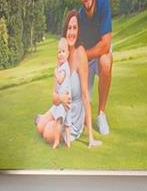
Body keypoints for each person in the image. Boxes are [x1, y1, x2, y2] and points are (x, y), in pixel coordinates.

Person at [35, 11, 101, 149]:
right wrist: (60, 98)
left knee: (47, 134)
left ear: (79, 31)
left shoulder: (80, 53)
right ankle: (44, 120)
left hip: (73, 113)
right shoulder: (61, 55)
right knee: (40, 128)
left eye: (75, 28)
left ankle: (53, 123)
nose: (71, 32)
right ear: (65, 30)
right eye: (69, 28)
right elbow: (53, 96)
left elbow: (84, 95)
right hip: (59, 105)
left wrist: (91, 138)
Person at [75, 0, 114, 137]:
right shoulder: (80, 16)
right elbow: (74, 50)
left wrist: (84, 55)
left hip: (97, 55)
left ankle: (101, 114)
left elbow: (105, 45)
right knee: (82, 121)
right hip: (87, 60)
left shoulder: (103, 1)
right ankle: (85, 115)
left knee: (106, 61)